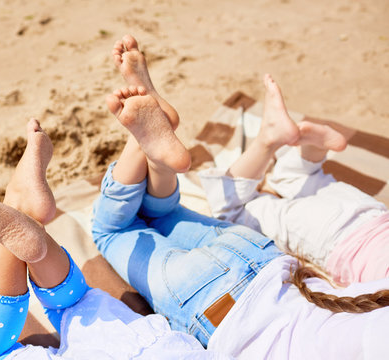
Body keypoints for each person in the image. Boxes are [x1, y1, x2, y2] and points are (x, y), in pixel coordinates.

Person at [91, 35, 389, 358]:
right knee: (111, 231)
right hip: (216, 305)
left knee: (164, 214)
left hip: (267, 261)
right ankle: (144, 149)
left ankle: (154, 150)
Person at [0, 119, 229, 359]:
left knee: (77, 302)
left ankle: (22, 214)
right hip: (149, 350)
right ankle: (17, 214)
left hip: (162, 350)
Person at [197, 74, 389, 286]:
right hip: (341, 239)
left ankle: (312, 149)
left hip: (372, 214)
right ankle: (267, 141)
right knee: (231, 212)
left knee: (302, 182)